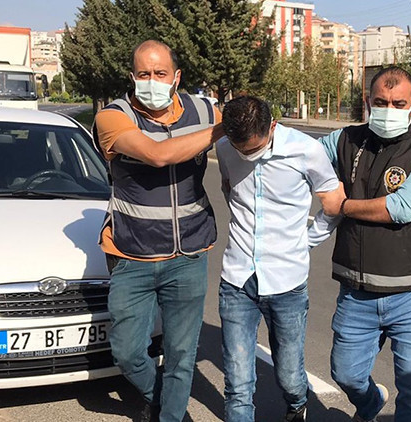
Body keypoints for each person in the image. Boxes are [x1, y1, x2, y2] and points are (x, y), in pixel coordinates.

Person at [314, 66, 411, 422]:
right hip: (357, 291)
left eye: (398, 103)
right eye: (380, 102)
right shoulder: (345, 140)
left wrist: (342, 205)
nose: (388, 109)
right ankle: (370, 403)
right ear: (368, 102)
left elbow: (402, 207)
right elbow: (302, 156)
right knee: (346, 374)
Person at [93, 40, 223, 422]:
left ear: (176, 77)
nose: (151, 80)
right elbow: (157, 154)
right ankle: (161, 399)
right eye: (144, 74)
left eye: (160, 73)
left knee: (182, 355)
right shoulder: (113, 116)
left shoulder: (203, 110)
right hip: (132, 254)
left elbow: (245, 146)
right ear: (132, 76)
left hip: (188, 255)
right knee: (127, 352)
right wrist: (220, 130)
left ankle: (172, 416)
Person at [216, 96, 344, 422]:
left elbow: (333, 204)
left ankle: (297, 403)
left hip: (287, 282)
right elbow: (230, 190)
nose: (247, 155)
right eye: (241, 149)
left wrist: (306, 241)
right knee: (237, 380)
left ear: (272, 126)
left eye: (254, 149)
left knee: (289, 374)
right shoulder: (225, 148)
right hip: (237, 279)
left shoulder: (306, 150)